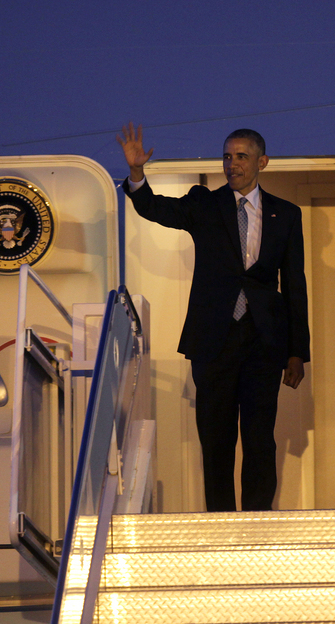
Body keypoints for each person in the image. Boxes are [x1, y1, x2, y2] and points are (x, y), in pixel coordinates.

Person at [117, 123, 310, 511]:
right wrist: (138, 175)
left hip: (263, 342)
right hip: (213, 342)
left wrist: (296, 352)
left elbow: (294, 285)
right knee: (216, 439)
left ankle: (257, 522)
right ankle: (220, 521)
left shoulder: (285, 215)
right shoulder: (204, 204)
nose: (232, 164)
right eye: (227, 156)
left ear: (262, 162)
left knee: (259, 438)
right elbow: (154, 207)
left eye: (241, 156)